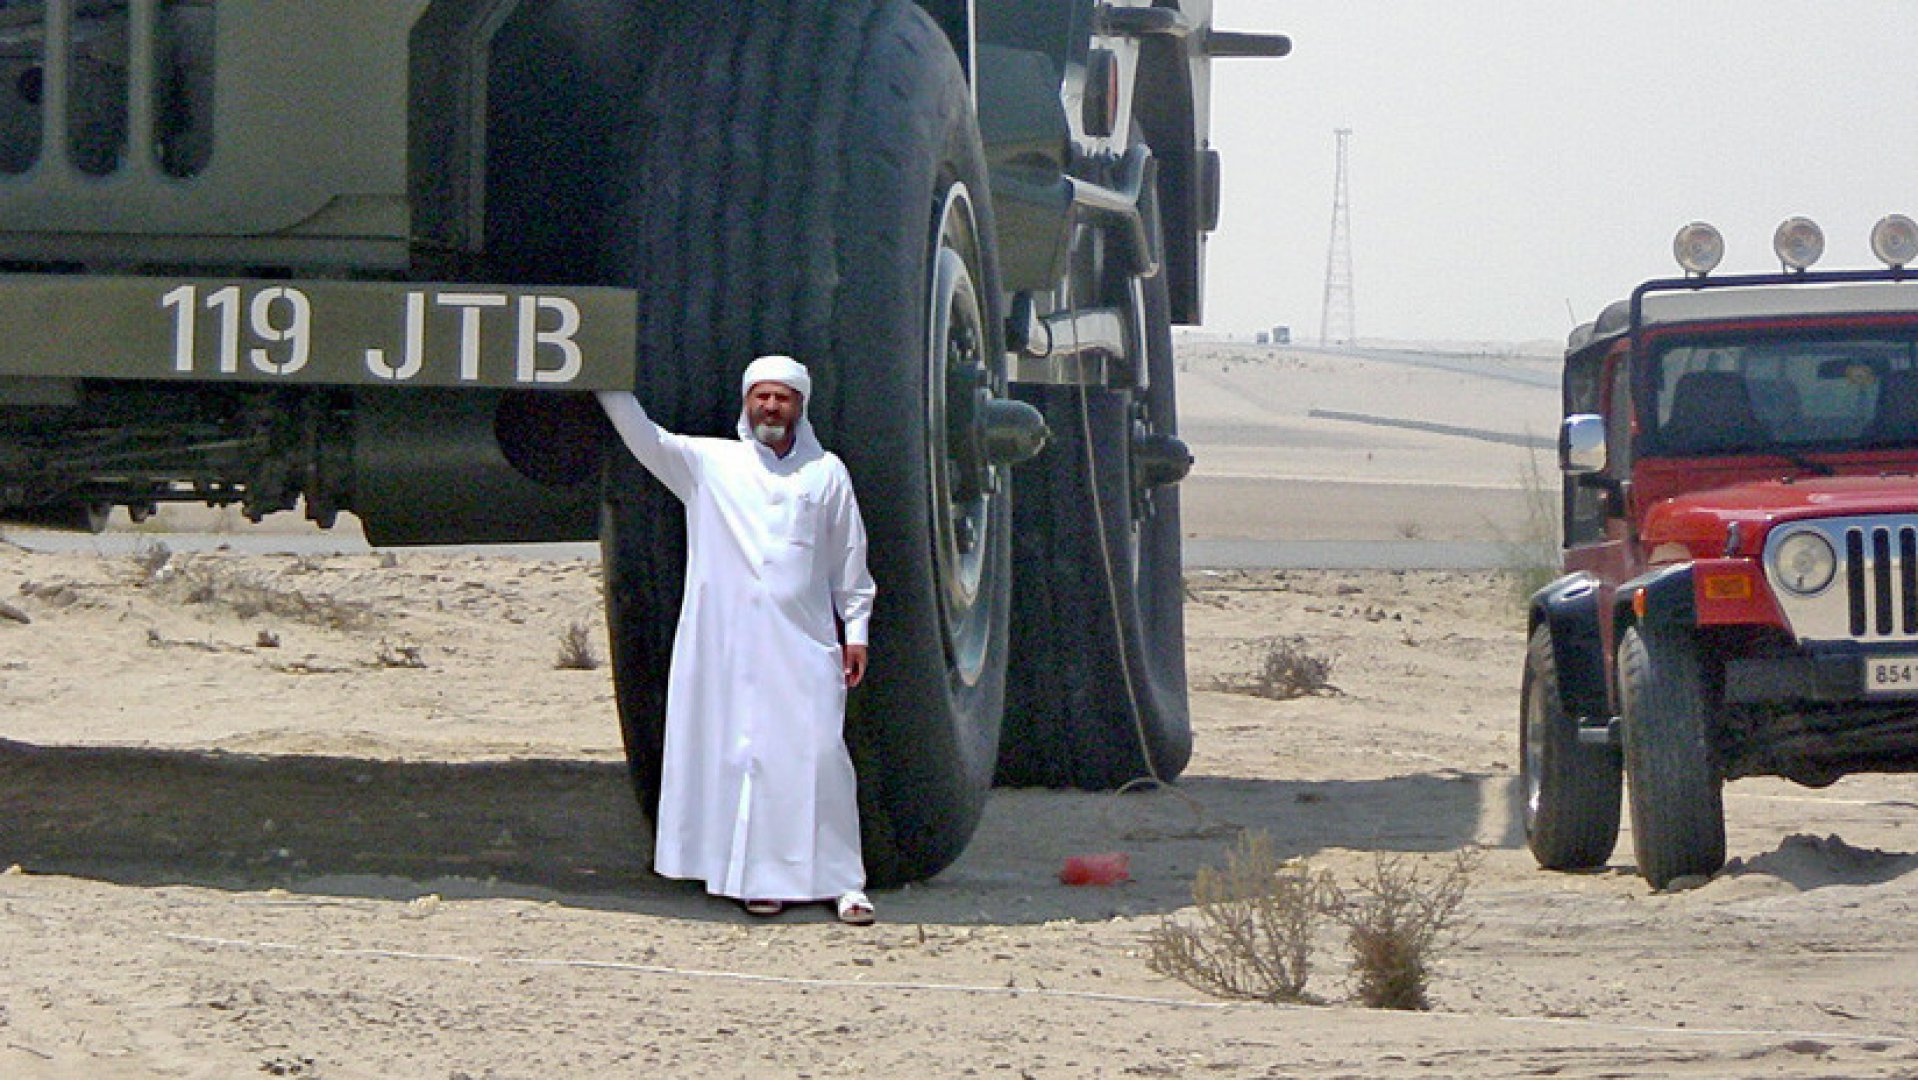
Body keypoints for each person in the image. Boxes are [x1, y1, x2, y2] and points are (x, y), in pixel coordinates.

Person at [596, 355, 878, 925]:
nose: (772, 407)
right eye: (762, 397)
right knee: (747, 758)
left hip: (806, 643)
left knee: (821, 758)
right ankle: (759, 881)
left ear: (800, 406)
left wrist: (857, 631)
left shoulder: (826, 474)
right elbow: (642, 437)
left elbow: (851, 561)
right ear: (747, 404)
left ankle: (845, 883)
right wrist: (600, 378)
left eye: (783, 398)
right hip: (730, 651)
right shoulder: (709, 464)